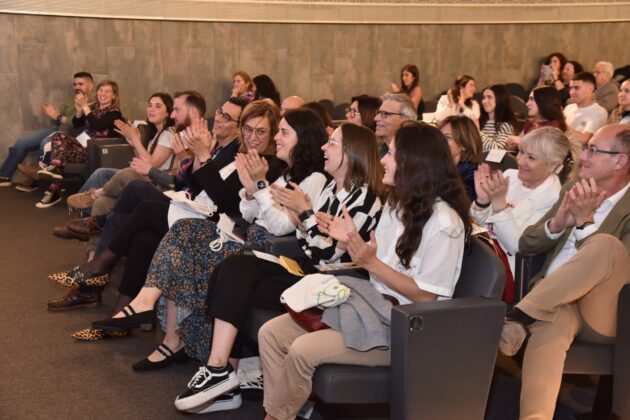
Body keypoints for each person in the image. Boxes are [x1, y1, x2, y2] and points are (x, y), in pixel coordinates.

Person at [159, 117, 384, 413]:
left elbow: (327, 254)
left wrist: (304, 215)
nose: (324, 148)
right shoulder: (331, 189)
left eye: (332, 143)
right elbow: (309, 240)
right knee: (233, 267)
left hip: (331, 286)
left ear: (351, 152)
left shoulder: (365, 200)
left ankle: (220, 371)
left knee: (237, 272)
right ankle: (220, 370)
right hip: (308, 271)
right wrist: (297, 215)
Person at [258, 122, 471, 420]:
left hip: (405, 328)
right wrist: (350, 241)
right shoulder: (397, 205)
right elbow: (373, 264)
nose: (382, 159)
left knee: (301, 351)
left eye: (391, 154)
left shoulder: (445, 223)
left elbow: (426, 297)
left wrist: (370, 262)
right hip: (370, 306)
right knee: (271, 333)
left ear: (413, 164)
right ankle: (282, 414)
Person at [95, 109, 328, 374]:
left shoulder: (312, 178)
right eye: (249, 129)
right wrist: (251, 190)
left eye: (282, 132)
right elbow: (249, 211)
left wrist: (259, 186)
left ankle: (159, 324)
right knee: (179, 232)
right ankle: (152, 313)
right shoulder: (285, 173)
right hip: (249, 239)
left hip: (268, 252)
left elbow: (279, 226)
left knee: (174, 233)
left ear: (303, 138)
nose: (276, 138)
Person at [44, 93, 229, 316]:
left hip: (179, 202)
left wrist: (173, 153)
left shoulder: (190, 138)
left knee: (132, 184)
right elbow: (183, 180)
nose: (170, 114)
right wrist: (139, 144)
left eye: (171, 109)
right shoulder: (189, 137)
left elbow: (174, 179)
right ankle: (92, 278)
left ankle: (94, 231)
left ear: (192, 112)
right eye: (219, 113)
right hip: (177, 197)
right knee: (105, 201)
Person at [499, 124, 630, 420]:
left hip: (606, 312)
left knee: (606, 245)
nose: (583, 156)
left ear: (620, 161)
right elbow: (527, 244)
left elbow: (620, 267)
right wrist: (557, 224)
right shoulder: (574, 189)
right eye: (586, 149)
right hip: (556, 301)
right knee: (553, 321)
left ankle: (519, 316)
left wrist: (584, 224)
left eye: (593, 150)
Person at [471, 127, 580, 302]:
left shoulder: (553, 199)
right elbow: (484, 225)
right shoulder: (511, 177)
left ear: (554, 165)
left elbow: (519, 247)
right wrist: (483, 201)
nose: (520, 161)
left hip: (505, 272)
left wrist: (499, 204)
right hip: (484, 253)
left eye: (531, 158)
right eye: (520, 152)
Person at [63, 92, 176, 215]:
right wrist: (134, 144)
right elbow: (142, 162)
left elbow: (152, 166)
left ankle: (93, 195)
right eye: (150, 105)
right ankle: (86, 214)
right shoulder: (156, 133)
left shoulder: (169, 133)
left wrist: (135, 140)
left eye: (158, 106)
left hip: (156, 184)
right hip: (146, 178)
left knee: (119, 173)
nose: (151, 109)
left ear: (168, 112)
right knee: (101, 192)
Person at [35, 79, 122, 209]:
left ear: (114, 95)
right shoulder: (93, 107)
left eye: (107, 92)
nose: (103, 94)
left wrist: (85, 107)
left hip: (95, 150)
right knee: (58, 136)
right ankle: (55, 169)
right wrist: (79, 111)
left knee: (60, 156)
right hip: (81, 143)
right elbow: (76, 123)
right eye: (101, 90)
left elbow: (98, 125)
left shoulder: (114, 112)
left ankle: (53, 190)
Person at [0, 72, 94, 189]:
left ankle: (36, 180)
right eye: (75, 84)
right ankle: (4, 176)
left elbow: (75, 123)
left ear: (90, 86)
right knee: (23, 141)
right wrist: (53, 113)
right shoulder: (72, 99)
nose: (77, 87)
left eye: (81, 84)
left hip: (72, 134)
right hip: (59, 128)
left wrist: (56, 116)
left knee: (45, 143)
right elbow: (62, 117)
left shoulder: (93, 101)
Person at [438, 115, 483, 201]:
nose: (440, 141)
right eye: (439, 136)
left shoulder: (471, 175)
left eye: (447, 137)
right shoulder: (442, 166)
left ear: (463, 144)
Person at [563, 72, 608, 144]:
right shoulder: (568, 108)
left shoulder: (599, 112)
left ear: (590, 89)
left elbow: (584, 139)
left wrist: (560, 122)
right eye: (571, 88)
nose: (572, 92)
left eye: (576, 88)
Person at [478, 84, 518, 151]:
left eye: (489, 97)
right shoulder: (481, 121)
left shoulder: (506, 125)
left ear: (500, 99)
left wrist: (477, 131)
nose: (484, 101)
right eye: (484, 97)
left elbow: (497, 150)